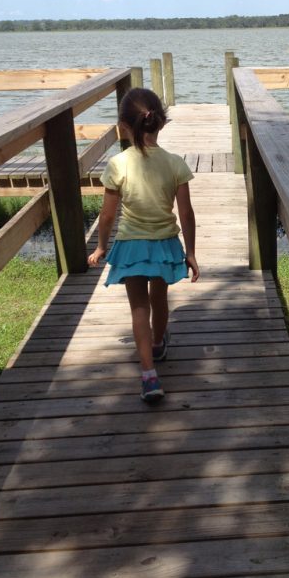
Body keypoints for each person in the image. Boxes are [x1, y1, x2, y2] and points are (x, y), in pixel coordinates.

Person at [88, 87, 199, 402]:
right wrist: (190, 252)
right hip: (164, 244)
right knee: (159, 299)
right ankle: (158, 341)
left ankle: (149, 375)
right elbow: (186, 213)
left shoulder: (118, 165)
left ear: (124, 126)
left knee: (139, 307)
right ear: (161, 122)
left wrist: (100, 247)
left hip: (132, 246)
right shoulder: (175, 163)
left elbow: (107, 217)